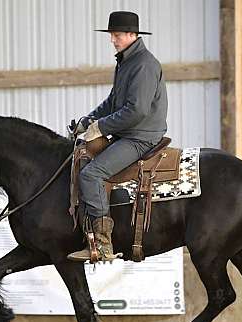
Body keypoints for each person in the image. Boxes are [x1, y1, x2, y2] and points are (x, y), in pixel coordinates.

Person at [67, 11, 168, 262]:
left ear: (133, 35)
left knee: (91, 174)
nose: (113, 39)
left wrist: (101, 128)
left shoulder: (144, 65)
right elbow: (113, 101)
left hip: (140, 137)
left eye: (118, 35)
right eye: (112, 35)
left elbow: (137, 110)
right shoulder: (126, 62)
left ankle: (102, 245)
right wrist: (87, 121)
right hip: (129, 133)